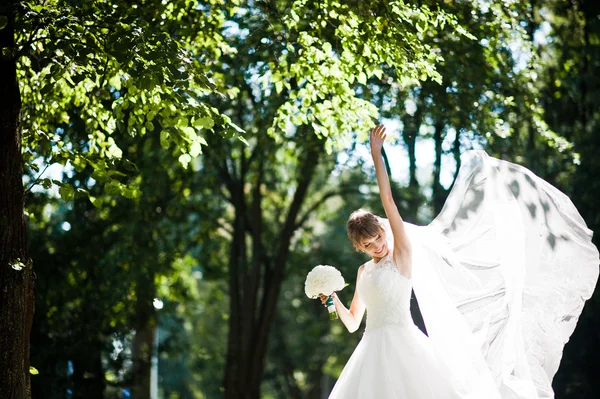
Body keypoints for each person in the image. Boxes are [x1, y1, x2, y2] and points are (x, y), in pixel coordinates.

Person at [319, 125, 599, 399]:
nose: (377, 246)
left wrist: (376, 154)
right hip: (369, 355)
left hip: (406, 348)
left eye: (378, 237)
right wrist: (332, 303)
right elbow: (353, 322)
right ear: (359, 247)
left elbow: (388, 201)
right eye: (368, 244)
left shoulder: (402, 252)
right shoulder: (363, 271)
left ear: (383, 229)